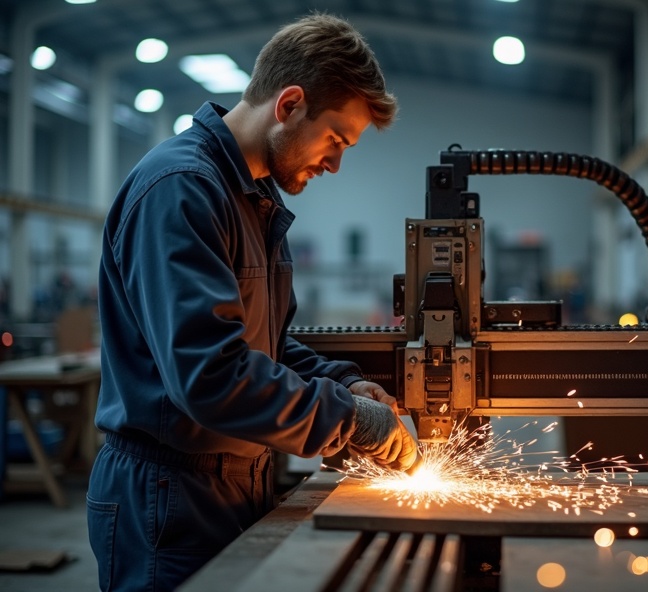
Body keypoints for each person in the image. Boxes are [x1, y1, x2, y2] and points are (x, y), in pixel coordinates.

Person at [86, 12, 418, 592]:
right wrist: (347, 421)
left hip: (232, 480)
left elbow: (259, 343)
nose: (336, 163)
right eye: (336, 139)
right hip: (168, 496)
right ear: (289, 104)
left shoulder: (252, 198)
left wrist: (342, 384)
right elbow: (211, 375)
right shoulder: (181, 190)